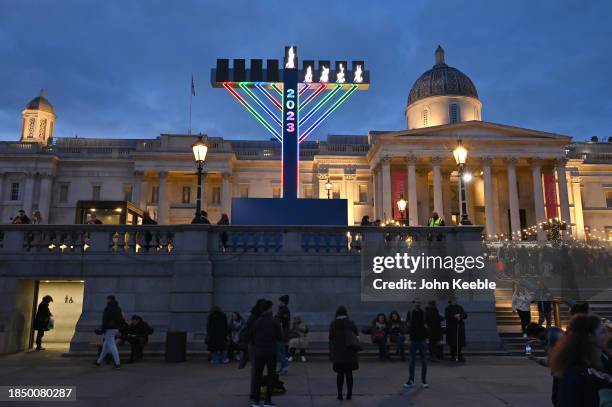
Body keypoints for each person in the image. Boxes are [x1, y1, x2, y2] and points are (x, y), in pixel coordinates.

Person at [549, 314, 612, 407]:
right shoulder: (574, 370)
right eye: (602, 332)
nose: (608, 335)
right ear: (590, 336)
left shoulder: (604, 359)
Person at [248, 299, 282, 407]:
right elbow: (280, 337)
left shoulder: (257, 321)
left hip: (258, 352)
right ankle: (267, 401)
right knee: (271, 376)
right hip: (270, 352)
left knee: (257, 376)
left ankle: (256, 401)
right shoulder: (274, 321)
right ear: (269, 308)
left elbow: (252, 337)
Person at [329, 306, 359, 401]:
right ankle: (349, 394)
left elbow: (331, 337)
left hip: (338, 352)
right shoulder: (350, 323)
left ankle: (340, 395)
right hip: (350, 351)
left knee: (340, 374)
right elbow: (356, 334)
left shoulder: (334, 324)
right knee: (349, 374)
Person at [95, 295, 126, 370]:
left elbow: (105, 319)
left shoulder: (108, 308)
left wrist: (103, 329)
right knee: (105, 346)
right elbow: (122, 319)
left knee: (112, 347)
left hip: (109, 329)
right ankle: (98, 362)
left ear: (109, 300)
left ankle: (117, 364)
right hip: (116, 329)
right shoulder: (118, 308)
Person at [404, 300, 429, 389]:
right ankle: (411, 380)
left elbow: (428, 326)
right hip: (413, 339)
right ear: (414, 303)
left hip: (422, 339)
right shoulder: (410, 313)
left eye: (419, 302)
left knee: (424, 361)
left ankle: (424, 381)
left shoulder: (425, 313)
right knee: (411, 361)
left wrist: (427, 337)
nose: (418, 304)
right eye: (416, 302)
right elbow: (407, 325)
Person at [275, 295, 290, 375]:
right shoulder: (282, 309)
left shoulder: (285, 310)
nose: (279, 303)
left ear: (283, 302)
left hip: (281, 333)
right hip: (282, 333)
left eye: (280, 301)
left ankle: (285, 365)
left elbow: (280, 321)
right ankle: (283, 367)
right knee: (282, 351)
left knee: (277, 351)